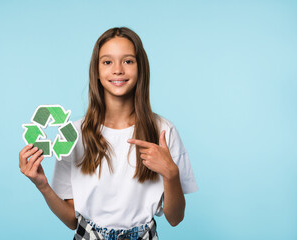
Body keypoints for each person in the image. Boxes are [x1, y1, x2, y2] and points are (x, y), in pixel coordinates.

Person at [19, 27, 198, 240]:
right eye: (107, 62)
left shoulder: (163, 132)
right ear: (96, 70)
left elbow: (175, 218)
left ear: (141, 68)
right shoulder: (73, 135)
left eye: (128, 61)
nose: (118, 70)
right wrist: (43, 186)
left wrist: (171, 173)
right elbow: (71, 220)